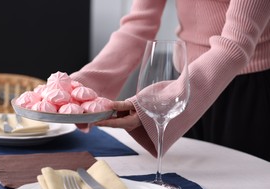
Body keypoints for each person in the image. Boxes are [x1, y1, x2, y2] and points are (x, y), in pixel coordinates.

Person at [70, 0, 270, 161]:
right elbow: (138, 26)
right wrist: (80, 86)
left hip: (246, 89)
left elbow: (235, 47)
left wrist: (158, 104)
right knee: (186, 185)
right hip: (182, 81)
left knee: (242, 187)